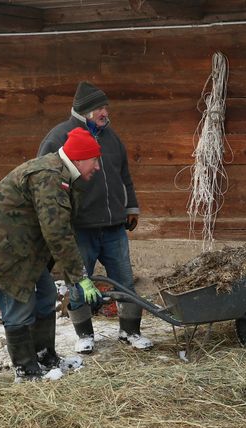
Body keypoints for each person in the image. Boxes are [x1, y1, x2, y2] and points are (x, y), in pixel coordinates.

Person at [0, 128, 104, 381]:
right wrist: (79, 276)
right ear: (79, 158)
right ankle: (25, 369)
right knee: (19, 305)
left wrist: (73, 273)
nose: (97, 166)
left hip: (22, 248)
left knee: (45, 293)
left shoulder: (61, 173)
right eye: (95, 160)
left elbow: (56, 227)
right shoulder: (49, 177)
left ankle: (44, 355)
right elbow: (57, 232)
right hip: (0, 250)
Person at [36, 81, 152, 353]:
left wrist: (131, 207)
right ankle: (85, 335)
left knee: (124, 278)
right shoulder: (58, 137)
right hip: (80, 228)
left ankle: (130, 332)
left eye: (105, 106)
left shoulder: (112, 138)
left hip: (113, 227)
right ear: (85, 111)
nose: (104, 112)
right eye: (99, 108)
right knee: (78, 282)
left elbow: (125, 177)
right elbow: (43, 178)